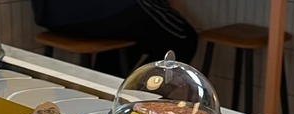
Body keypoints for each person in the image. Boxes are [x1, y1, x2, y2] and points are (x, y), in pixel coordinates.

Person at [31, 0, 197, 77]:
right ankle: (143, 103)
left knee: (137, 33)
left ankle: (108, 94)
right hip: (102, 11)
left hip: (51, 16)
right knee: (183, 38)